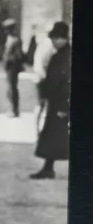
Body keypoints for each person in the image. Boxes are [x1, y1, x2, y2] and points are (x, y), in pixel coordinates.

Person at [30, 22, 71, 179]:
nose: (53, 42)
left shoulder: (66, 56)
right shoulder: (60, 54)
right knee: (52, 136)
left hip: (61, 103)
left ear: (62, 38)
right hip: (56, 102)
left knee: (58, 136)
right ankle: (48, 168)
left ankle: (49, 168)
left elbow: (67, 83)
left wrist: (63, 107)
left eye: (55, 38)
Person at [2, 18, 24, 117]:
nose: (5, 31)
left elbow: (18, 55)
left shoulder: (16, 39)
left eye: (7, 29)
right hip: (9, 66)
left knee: (12, 88)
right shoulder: (10, 38)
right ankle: (12, 109)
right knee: (10, 88)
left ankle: (15, 110)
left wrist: (9, 59)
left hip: (13, 67)